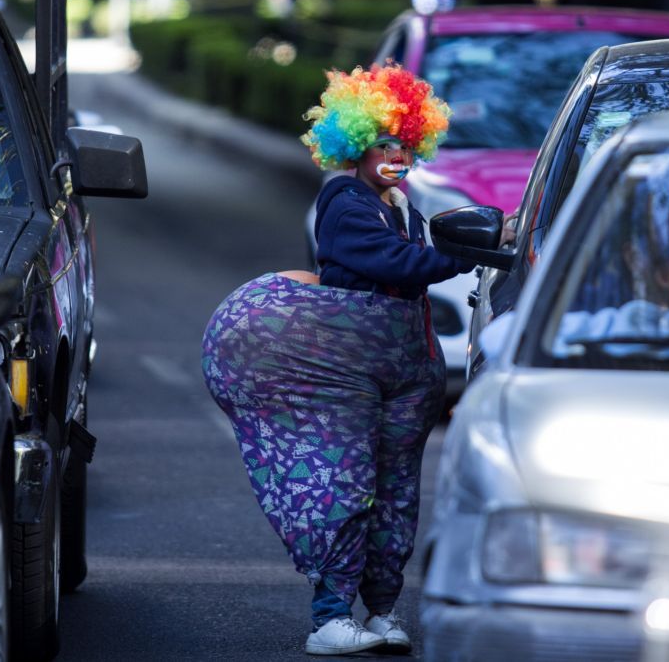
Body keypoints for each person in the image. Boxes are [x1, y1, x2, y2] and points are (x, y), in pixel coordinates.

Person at [201, 63, 473, 656]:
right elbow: (395, 265)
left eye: (405, 142)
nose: (396, 154)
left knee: (396, 490)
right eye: (383, 143)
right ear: (354, 145)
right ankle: (329, 619)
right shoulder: (347, 201)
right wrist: (461, 258)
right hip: (347, 365)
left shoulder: (394, 200)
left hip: (398, 363)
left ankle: (379, 612)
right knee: (342, 482)